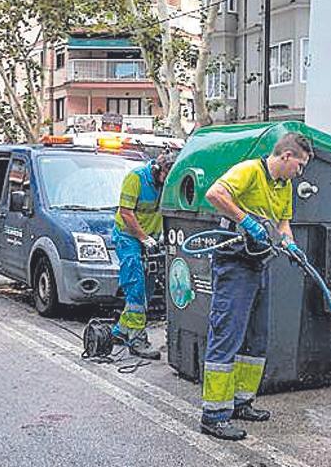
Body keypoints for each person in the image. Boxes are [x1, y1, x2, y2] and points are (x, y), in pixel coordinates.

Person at [199, 131, 313, 441]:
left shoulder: (284, 186)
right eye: (299, 165)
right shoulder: (249, 170)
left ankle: (241, 402)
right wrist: (246, 220)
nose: (300, 172)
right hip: (234, 263)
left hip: (259, 264)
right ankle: (214, 414)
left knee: (255, 337)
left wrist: (289, 243)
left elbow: (282, 222)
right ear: (286, 156)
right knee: (228, 334)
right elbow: (215, 194)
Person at [112, 152, 178, 359]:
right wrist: (143, 237)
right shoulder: (136, 178)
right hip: (128, 237)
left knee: (147, 289)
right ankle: (137, 340)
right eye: (167, 175)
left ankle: (121, 331)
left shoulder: (165, 183)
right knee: (136, 286)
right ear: (158, 170)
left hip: (151, 239)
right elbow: (126, 213)